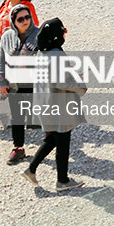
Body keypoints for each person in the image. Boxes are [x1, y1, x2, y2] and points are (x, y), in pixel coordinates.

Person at [18, 18, 84, 190]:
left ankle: (31, 169)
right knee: (62, 142)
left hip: (45, 102)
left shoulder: (41, 52)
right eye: (62, 31)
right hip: (59, 105)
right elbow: (61, 82)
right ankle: (62, 181)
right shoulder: (57, 55)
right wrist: (80, 84)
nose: (64, 33)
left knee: (54, 139)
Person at [0, 5, 39, 165]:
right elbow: (1, 60)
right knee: (17, 117)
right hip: (15, 84)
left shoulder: (39, 34)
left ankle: (51, 145)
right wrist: (1, 81)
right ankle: (18, 147)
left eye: (27, 17)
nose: (25, 21)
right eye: (20, 19)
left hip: (37, 84)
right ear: (13, 21)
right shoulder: (7, 36)